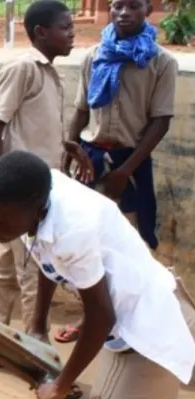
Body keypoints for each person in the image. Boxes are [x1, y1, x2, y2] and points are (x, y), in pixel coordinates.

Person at [0, 150, 195, 399]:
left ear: (34, 209)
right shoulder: (36, 194)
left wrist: (60, 385)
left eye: (1, 223)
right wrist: (38, 325)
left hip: (147, 324)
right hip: (140, 306)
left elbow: (102, 316)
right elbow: (46, 256)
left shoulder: (71, 230)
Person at [57, 0, 177, 345]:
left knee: (133, 243)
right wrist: (69, 149)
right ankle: (94, 319)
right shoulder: (95, 56)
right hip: (90, 158)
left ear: (147, 10)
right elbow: (82, 111)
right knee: (89, 242)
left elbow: (160, 122)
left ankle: (130, 324)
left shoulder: (160, 62)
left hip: (132, 162)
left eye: (133, 6)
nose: (123, 13)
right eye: (116, 5)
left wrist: (125, 171)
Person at [0, 0, 93, 372]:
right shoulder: (23, 68)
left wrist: (68, 145)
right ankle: (34, 353)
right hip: (22, 198)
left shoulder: (50, 73)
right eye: (66, 27)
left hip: (38, 193)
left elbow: (34, 128)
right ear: (41, 33)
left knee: (7, 270)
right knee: (33, 273)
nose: (72, 33)